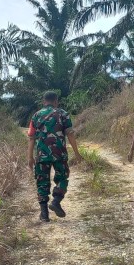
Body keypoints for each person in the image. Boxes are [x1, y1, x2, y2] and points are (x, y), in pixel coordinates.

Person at [28, 91, 83, 222]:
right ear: (56, 101)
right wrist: (77, 153)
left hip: (41, 156)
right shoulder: (63, 114)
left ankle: (44, 214)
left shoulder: (36, 116)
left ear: (44, 101)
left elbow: (31, 138)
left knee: (42, 182)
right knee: (63, 177)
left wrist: (30, 157)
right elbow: (70, 134)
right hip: (60, 154)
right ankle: (56, 201)